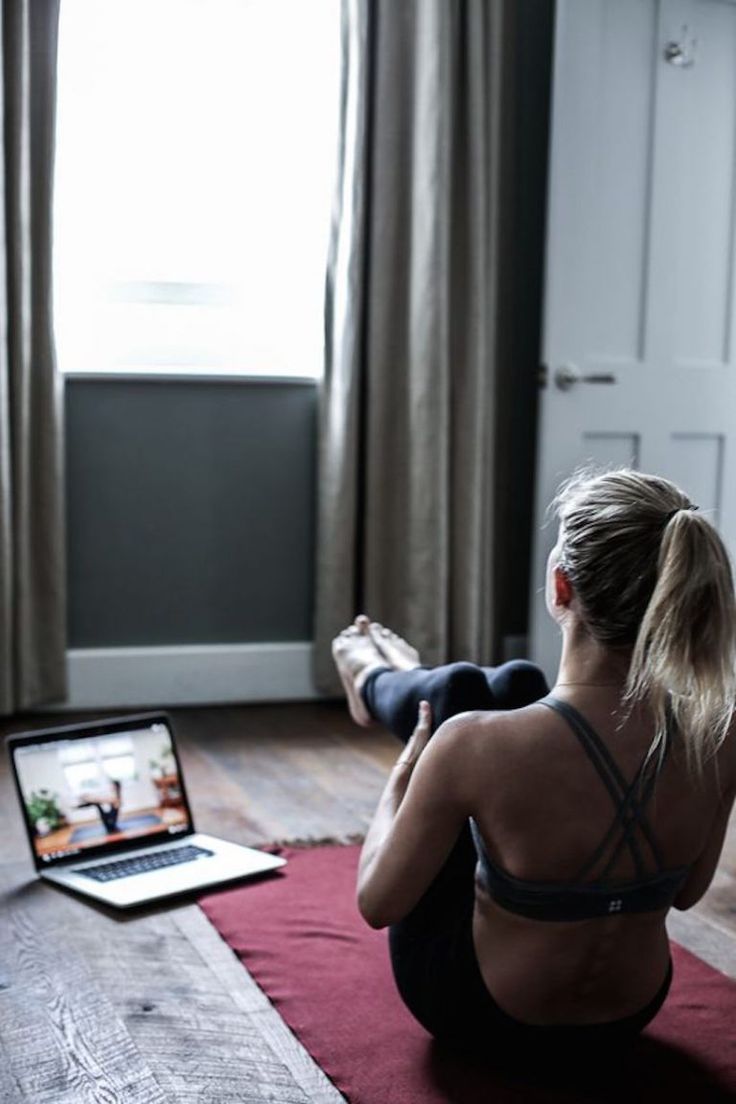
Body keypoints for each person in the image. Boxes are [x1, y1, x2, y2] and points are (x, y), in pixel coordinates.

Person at [332, 469, 736, 1056]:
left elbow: (377, 904)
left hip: (478, 1014)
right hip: (629, 1014)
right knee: (516, 684)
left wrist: (403, 780)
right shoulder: (720, 735)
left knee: (463, 703)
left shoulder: (469, 744)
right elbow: (688, 893)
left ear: (560, 587)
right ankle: (383, 678)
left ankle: (376, 680)